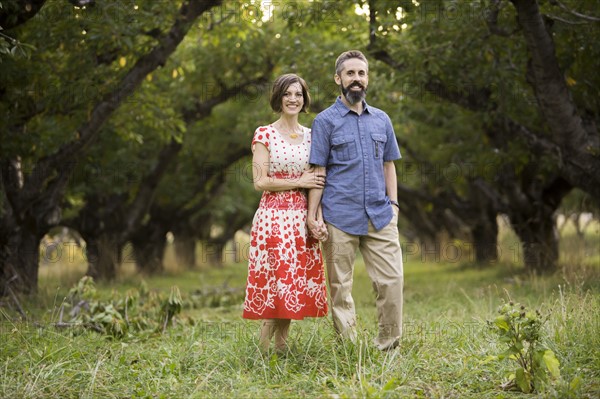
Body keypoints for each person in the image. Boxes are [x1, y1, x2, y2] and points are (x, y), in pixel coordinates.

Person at [307, 50, 404, 351]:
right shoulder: (324, 122)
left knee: (391, 282)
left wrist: (394, 205)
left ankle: (388, 345)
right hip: (339, 216)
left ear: (367, 79)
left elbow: (389, 164)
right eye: (350, 73)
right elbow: (317, 171)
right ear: (338, 79)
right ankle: (349, 349)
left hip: (380, 214)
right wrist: (315, 215)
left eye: (361, 73)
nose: (356, 79)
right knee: (340, 288)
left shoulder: (382, 120)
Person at [242, 73, 328, 353]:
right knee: (275, 285)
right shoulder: (264, 133)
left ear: (305, 100)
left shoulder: (313, 136)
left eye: (298, 94)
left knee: (292, 285)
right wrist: (298, 182)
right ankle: (263, 351)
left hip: (301, 219)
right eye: (287, 94)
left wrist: (316, 218)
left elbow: (318, 179)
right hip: (273, 219)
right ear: (278, 98)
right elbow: (260, 181)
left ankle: (281, 349)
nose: (293, 99)